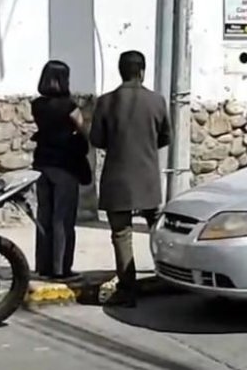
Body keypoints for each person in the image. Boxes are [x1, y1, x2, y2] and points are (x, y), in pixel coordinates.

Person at [89, 50, 171, 307]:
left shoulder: (105, 102)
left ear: (120, 71)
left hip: (117, 178)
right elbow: (165, 137)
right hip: (147, 177)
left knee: (121, 233)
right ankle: (167, 276)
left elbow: (97, 140)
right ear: (142, 72)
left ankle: (128, 289)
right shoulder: (157, 101)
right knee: (156, 228)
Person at [31, 60, 90, 281]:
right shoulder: (69, 106)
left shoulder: (37, 105)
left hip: (42, 163)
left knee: (44, 215)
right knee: (62, 218)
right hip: (65, 165)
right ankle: (60, 268)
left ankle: (43, 265)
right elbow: (82, 130)